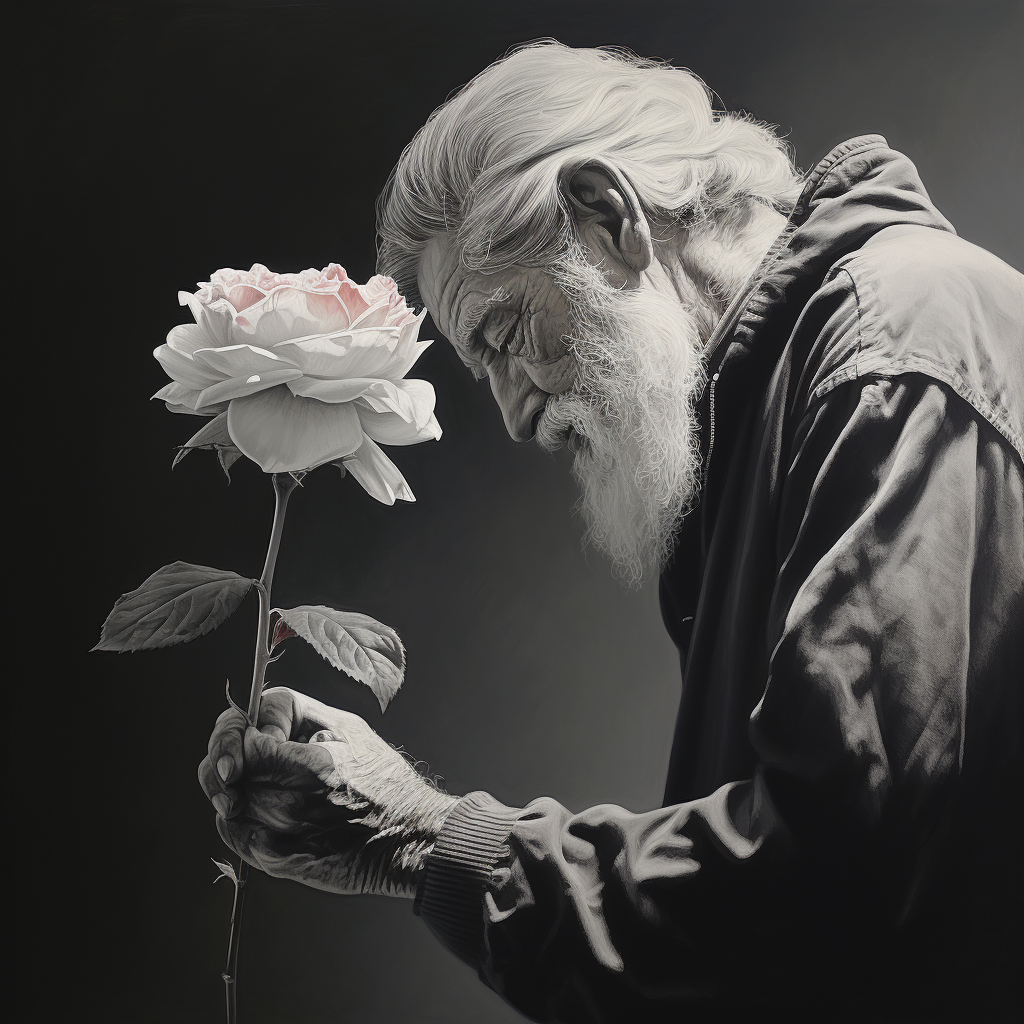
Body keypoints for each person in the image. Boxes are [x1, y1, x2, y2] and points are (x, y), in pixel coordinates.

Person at [198, 43, 1023, 1022]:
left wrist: (422, 837)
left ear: (606, 211)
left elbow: (826, 889)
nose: (507, 415)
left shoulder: (889, 352)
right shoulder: (776, 406)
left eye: (502, 337)